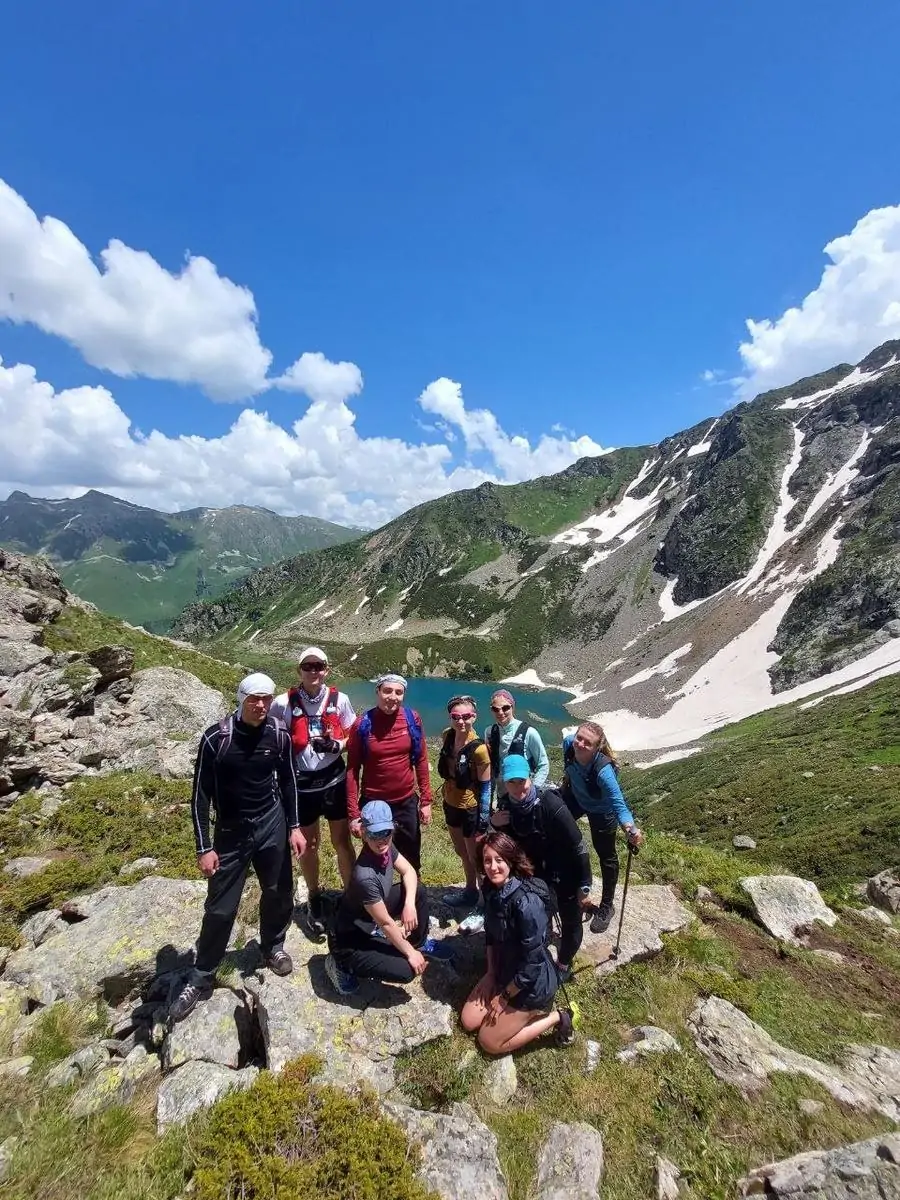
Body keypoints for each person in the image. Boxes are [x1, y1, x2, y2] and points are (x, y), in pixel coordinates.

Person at [170, 672, 306, 1023]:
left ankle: (272, 947)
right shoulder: (216, 738)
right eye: (253, 699)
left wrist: (294, 827)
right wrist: (204, 847)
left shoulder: (278, 733)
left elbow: (289, 781)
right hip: (231, 831)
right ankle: (202, 974)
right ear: (241, 699)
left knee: (278, 890)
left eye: (266, 699)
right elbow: (200, 796)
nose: (260, 705)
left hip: (271, 821)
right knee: (221, 906)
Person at [461, 830, 580, 1054]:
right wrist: (490, 973)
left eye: (499, 860)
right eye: (487, 860)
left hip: (531, 985)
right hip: (505, 971)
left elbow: (533, 963)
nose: (493, 867)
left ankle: (558, 1016)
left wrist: (504, 997)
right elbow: (491, 935)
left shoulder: (527, 902)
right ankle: (505, 1001)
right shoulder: (491, 890)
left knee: (488, 1042)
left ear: (510, 860)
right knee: (468, 1021)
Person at [324, 800, 453, 995]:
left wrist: (409, 905)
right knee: (408, 970)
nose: (381, 840)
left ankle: (418, 942)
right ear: (364, 833)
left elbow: (409, 872)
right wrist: (409, 953)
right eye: (374, 834)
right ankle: (341, 964)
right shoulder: (364, 876)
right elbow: (385, 923)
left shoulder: (386, 847)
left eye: (386, 832)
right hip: (350, 941)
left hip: (370, 917)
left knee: (417, 891)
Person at [270, 646, 356, 939]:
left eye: (318, 666)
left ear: (326, 670)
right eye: (308, 666)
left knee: (341, 841)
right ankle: (315, 896)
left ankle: (351, 896)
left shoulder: (340, 700)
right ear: (299, 671)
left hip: (334, 780)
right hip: (302, 785)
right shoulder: (283, 703)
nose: (314, 671)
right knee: (309, 845)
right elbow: (271, 736)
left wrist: (337, 745)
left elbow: (352, 735)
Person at [491, 755, 592, 983]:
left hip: (565, 871)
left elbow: (578, 845)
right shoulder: (506, 806)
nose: (518, 788)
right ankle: (538, 950)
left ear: (530, 777)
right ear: (505, 782)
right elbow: (505, 846)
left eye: (522, 781)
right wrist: (493, 824)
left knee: (571, 921)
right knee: (535, 917)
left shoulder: (550, 804)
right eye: (511, 782)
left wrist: (585, 884)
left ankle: (563, 964)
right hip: (535, 873)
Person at [561, 721, 643, 933]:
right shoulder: (568, 744)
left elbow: (619, 804)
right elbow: (569, 768)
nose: (580, 744)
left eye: (587, 743)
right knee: (555, 831)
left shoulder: (604, 771)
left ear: (597, 748)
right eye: (579, 737)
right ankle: (566, 885)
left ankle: (607, 906)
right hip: (577, 798)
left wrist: (630, 829)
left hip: (601, 811)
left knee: (606, 856)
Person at [346, 674, 431, 871]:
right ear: (377, 692)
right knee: (377, 858)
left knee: (411, 856)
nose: (393, 697)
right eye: (387, 691)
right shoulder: (362, 724)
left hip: (406, 801)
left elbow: (421, 759)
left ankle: (411, 890)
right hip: (373, 804)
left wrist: (426, 801)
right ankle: (378, 890)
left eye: (398, 692)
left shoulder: (412, 718)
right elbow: (352, 770)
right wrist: (353, 814)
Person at [438, 694, 492, 933]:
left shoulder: (479, 749)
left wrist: (483, 818)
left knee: (476, 857)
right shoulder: (447, 736)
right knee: (461, 851)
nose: (461, 721)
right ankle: (470, 891)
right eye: (456, 716)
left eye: (466, 716)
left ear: (474, 717)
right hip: (450, 802)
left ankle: (483, 904)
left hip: (470, 807)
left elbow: (486, 786)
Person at [485, 689, 550, 802]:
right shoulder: (489, 732)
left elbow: (543, 764)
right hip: (502, 795)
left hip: (524, 795)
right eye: (495, 709)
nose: (500, 712)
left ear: (512, 707)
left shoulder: (529, 732)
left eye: (505, 708)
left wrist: (533, 789)